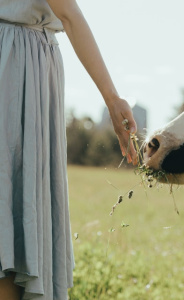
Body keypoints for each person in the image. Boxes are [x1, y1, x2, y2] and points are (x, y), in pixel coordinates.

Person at [0, 0, 137, 299]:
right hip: (14, 63)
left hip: (26, 58)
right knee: (8, 221)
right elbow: (69, 13)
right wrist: (112, 99)